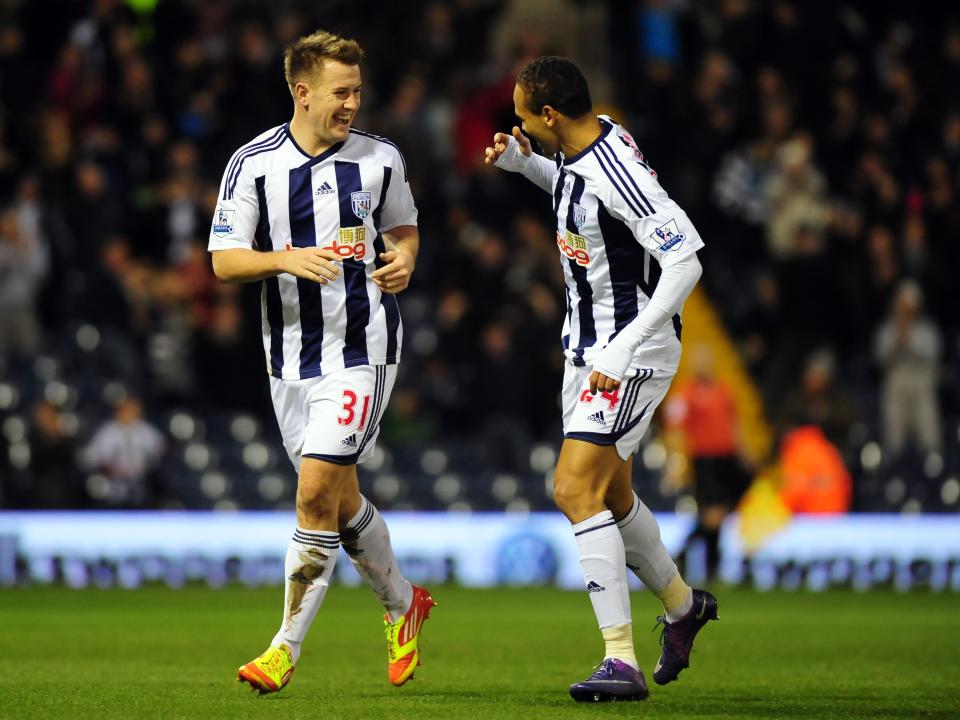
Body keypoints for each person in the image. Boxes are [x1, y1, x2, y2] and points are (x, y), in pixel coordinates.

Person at [207, 30, 435, 695]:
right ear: (301, 92)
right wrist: (284, 259)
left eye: (357, 91)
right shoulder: (252, 164)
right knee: (338, 503)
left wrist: (405, 258)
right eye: (341, 92)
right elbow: (223, 261)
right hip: (289, 360)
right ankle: (403, 603)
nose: (352, 104)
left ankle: (283, 649)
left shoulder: (381, 158)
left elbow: (405, 228)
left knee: (312, 493)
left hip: (364, 348)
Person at [485, 56, 717, 702]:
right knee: (612, 496)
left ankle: (621, 660)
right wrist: (525, 164)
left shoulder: (618, 170)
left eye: (523, 117)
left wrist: (623, 349)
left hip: (628, 354)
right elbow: (575, 189)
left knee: (571, 487)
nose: (517, 122)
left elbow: (685, 262)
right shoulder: (586, 143)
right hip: (585, 349)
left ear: (550, 114)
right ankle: (683, 607)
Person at [665, 345, 749, 581]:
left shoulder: (724, 390)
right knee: (714, 513)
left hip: (726, 459)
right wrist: (677, 463)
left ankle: (711, 567)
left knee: (717, 515)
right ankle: (682, 554)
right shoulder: (685, 393)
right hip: (704, 460)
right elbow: (675, 429)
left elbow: (734, 424)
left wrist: (743, 454)